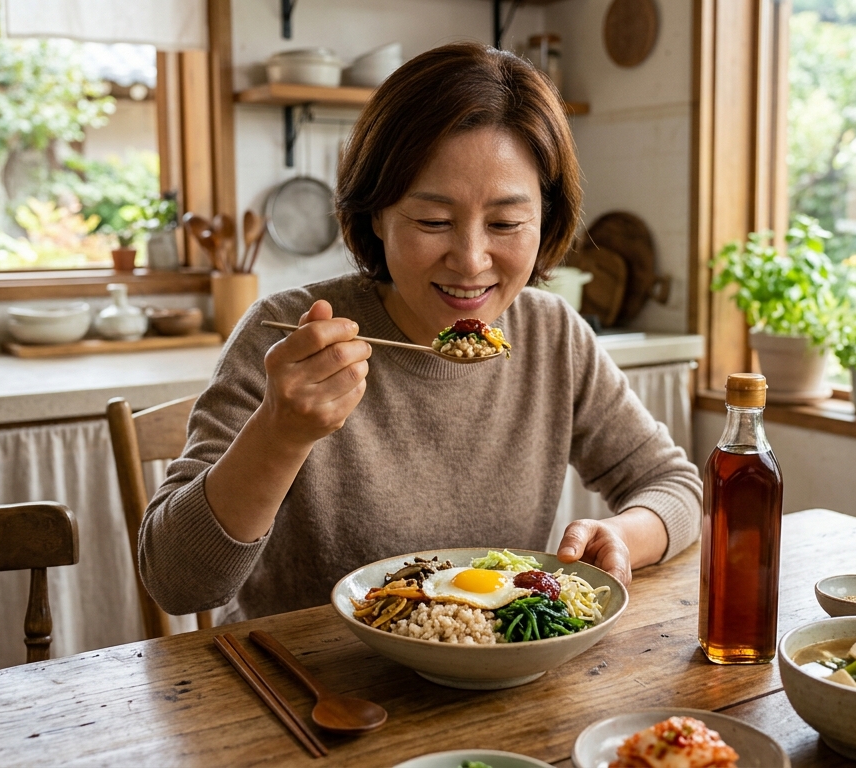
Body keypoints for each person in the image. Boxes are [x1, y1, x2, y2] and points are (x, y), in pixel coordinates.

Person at [138, 42, 701, 621]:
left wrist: (621, 536)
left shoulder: (551, 333)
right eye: (433, 221)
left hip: (500, 684)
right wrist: (279, 434)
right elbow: (177, 584)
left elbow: (674, 484)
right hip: (313, 692)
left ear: (547, 220)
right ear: (376, 214)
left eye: (506, 223)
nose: (471, 259)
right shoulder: (289, 336)